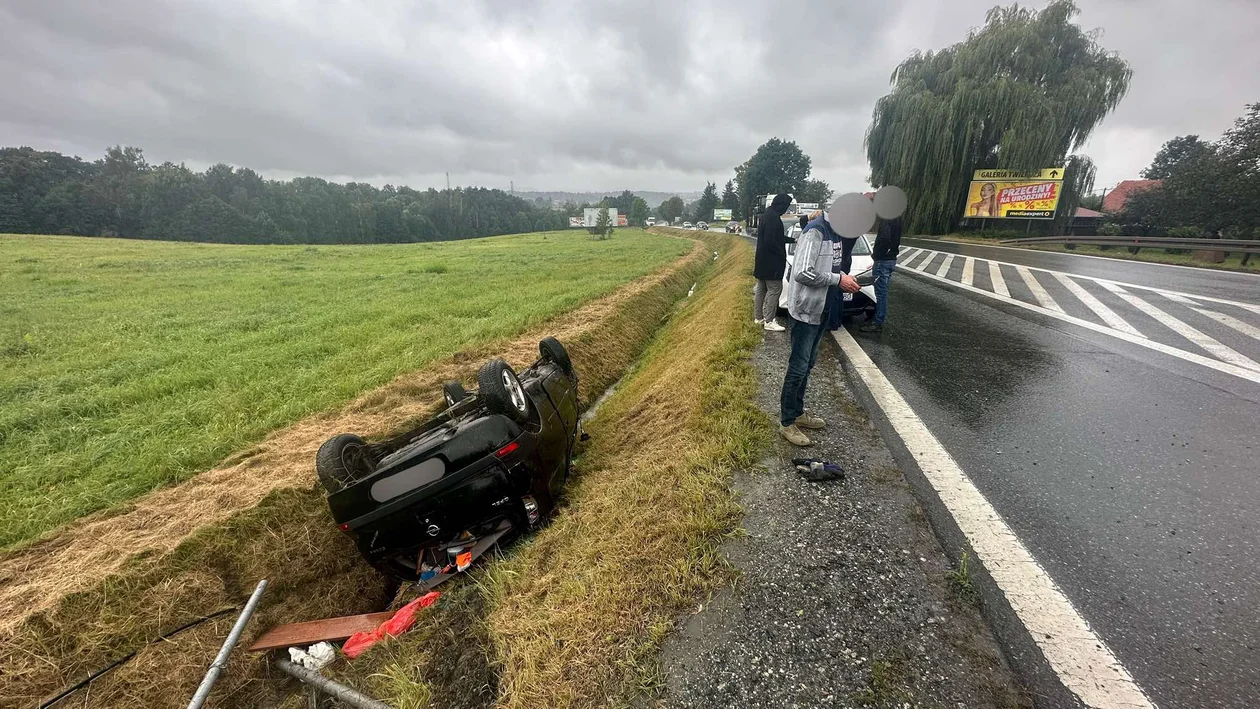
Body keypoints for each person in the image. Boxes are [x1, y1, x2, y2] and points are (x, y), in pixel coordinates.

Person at [780, 212, 861, 447]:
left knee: (808, 365)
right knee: (798, 367)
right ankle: (786, 423)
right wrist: (838, 280)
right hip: (806, 309)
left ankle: (798, 412)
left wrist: (844, 277)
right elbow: (802, 272)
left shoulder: (835, 232)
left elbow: (831, 266)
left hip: (822, 308)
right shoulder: (815, 231)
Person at [752, 193, 794, 331]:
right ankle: (769, 321)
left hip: (762, 260)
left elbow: (776, 237)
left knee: (761, 289)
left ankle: (758, 318)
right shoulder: (773, 218)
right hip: (772, 262)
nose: (786, 210)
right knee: (775, 289)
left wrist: (792, 240)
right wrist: (781, 253)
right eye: (786, 207)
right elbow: (771, 240)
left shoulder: (766, 215)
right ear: (781, 205)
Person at [860, 216, 902, 333]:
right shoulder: (897, 218)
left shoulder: (887, 218)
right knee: (882, 292)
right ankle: (877, 318)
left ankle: (877, 322)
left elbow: (884, 238)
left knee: (880, 293)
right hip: (891, 259)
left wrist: (877, 255)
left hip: (882, 260)